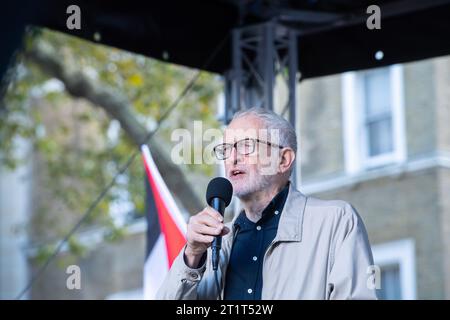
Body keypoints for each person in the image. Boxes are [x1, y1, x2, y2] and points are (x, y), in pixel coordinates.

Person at [156, 107, 377, 300]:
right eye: (225, 150)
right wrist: (192, 254)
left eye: (246, 146)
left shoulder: (335, 222)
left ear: (283, 160)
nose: (232, 158)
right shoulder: (217, 243)